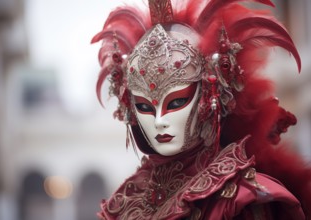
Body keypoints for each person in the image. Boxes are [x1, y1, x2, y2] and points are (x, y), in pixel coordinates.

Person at [92, 0, 311, 219]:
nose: (159, 121)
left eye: (176, 102)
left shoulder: (242, 199)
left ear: (207, 96)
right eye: (144, 106)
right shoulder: (128, 203)